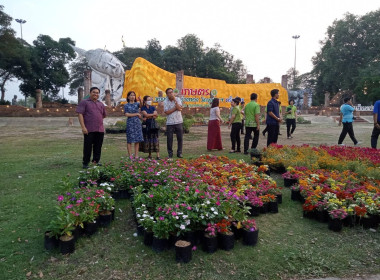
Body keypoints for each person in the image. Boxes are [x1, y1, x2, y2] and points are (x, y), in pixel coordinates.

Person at [76, 87, 106, 169]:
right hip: (88, 129)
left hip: (100, 129)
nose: (96, 94)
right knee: (87, 146)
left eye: (97, 93)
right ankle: (85, 163)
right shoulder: (84, 102)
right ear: (90, 93)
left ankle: (96, 161)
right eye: (94, 92)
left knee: (98, 146)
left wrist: (97, 121)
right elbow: (80, 114)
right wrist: (83, 127)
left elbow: (103, 115)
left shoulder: (101, 104)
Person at [164, 87, 183, 158]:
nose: (171, 94)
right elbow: (167, 112)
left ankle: (179, 153)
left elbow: (180, 108)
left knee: (180, 138)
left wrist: (175, 100)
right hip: (170, 122)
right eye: (169, 92)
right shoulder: (165, 101)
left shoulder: (177, 99)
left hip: (179, 121)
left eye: (172, 92)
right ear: (167, 94)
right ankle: (170, 153)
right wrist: (175, 108)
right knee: (169, 138)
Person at [124, 91, 144, 158]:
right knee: (129, 140)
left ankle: (136, 155)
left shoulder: (137, 104)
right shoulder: (126, 105)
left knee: (137, 140)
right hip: (130, 123)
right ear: (128, 97)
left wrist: (141, 100)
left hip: (137, 123)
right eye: (131, 95)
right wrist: (136, 114)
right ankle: (130, 155)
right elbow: (126, 114)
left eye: (133, 95)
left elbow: (141, 106)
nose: (132, 96)